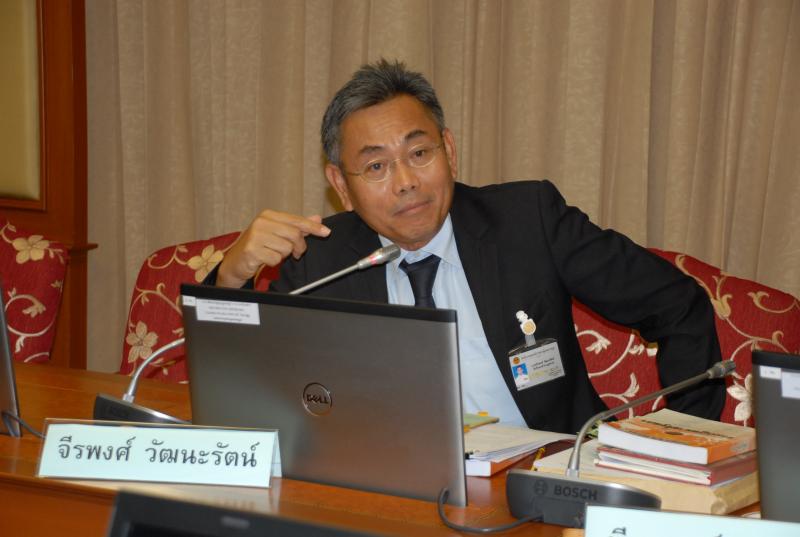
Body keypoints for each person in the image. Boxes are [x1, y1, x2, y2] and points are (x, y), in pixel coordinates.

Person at [209, 59, 725, 434]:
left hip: (541, 484)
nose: (406, 182)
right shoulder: (321, 258)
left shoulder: (528, 222)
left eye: (419, 152)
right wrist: (231, 276)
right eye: (376, 166)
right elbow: (242, 389)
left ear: (450, 151)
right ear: (341, 185)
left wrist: (678, 441)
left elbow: (677, 305)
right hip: (387, 498)